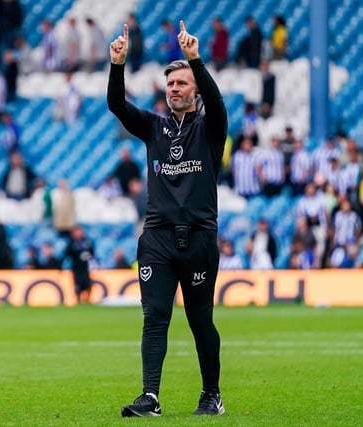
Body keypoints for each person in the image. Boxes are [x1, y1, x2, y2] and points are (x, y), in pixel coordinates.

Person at [108, 21, 226, 417]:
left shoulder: (210, 128)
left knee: (199, 321)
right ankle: (150, 397)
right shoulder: (154, 127)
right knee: (155, 317)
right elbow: (117, 106)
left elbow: (218, 103)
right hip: (156, 238)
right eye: (171, 84)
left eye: (182, 83)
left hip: (199, 238)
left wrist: (196, 59)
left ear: (195, 91)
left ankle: (211, 395)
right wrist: (117, 66)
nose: (175, 89)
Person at [60, 225, 95, 303]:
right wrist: (61, 266)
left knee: (88, 285)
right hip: (76, 269)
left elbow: (92, 254)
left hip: (86, 268)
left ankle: (87, 300)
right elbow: (66, 255)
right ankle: (78, 301)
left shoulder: (87, 243)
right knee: (77, 286)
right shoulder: (71, 244)